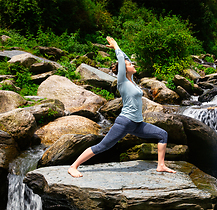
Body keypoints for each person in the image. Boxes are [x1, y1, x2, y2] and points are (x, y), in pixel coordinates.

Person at [68, 36, 176, 177]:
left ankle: (161, 165)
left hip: (137, 124)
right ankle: (73, 166)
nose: (133, 65)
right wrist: (116, 46)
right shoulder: (122, 81)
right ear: (124, 70)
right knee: (102, 146)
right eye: (130, 65)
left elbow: (124, 59)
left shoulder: (133, 82)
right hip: (124, 122)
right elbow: (121, 60)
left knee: (163, 135)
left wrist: (119, 51)